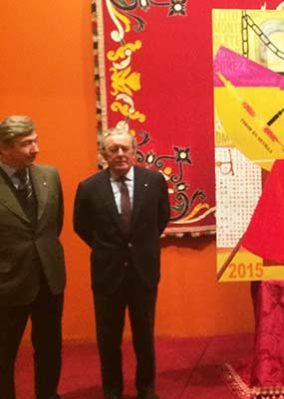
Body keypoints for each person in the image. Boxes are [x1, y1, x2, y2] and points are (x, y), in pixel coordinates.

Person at [74, 127, 170, 399]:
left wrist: (139, 248)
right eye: (113, 149)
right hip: (107, 274)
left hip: (144, 272)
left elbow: (161, 219)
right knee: (108, 339)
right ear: (104, 153)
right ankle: (112, 390)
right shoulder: (89, 188)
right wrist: (108, 250)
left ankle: (146, 388)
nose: (120, 154)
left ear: (134, 151)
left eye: (125, 148)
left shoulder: (154, 182)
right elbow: (81, 226)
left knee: (144, 336)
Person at [0, 115, 66, 399]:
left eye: (35, 140)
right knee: (4, 355)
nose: (35, 149)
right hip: (7, 283)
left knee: (50, 347)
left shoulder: (48, 175)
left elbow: (54, 225)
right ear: (4, 148)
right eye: (26, 144)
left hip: (48, 279)